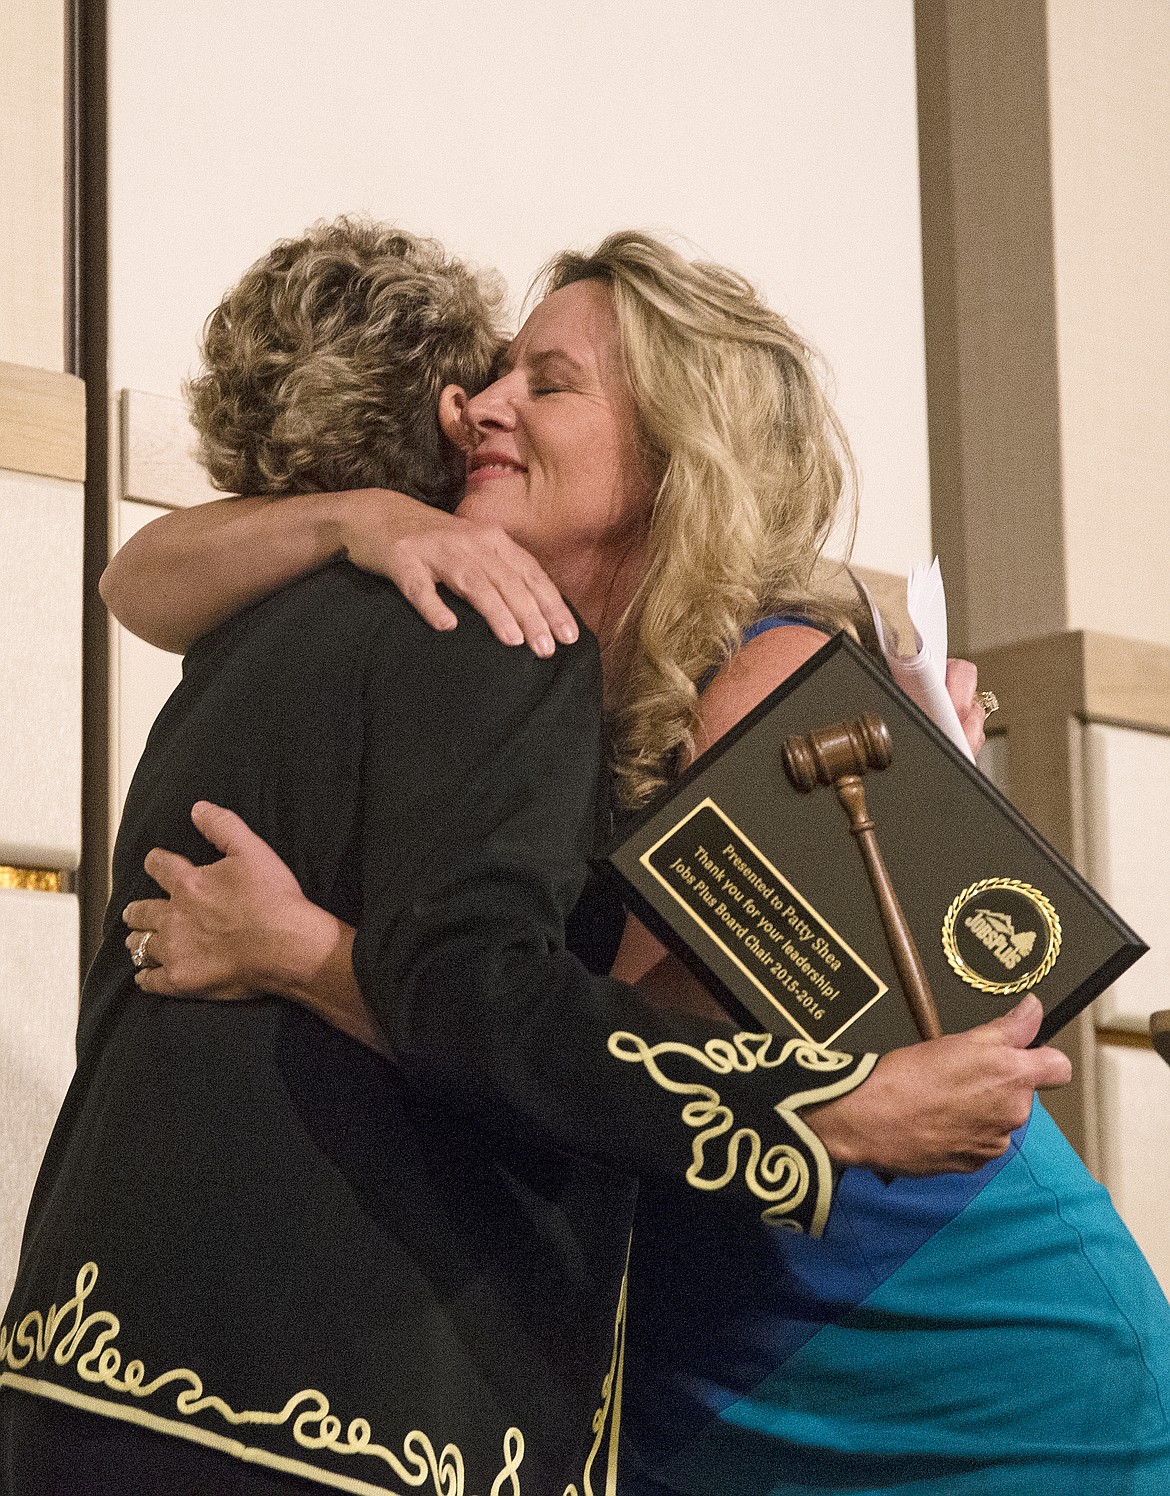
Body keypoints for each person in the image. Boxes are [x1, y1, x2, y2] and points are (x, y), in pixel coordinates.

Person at [83, 227, 1140, 1493]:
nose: (482, 405)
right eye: (495, 377)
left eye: (549, 381)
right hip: (702, 1372)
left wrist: (300, 951)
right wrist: (354, 517)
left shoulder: (777, 681)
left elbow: (593, 1052)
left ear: (673, 461)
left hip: (957, 1359)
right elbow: (140, 578)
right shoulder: (528, 671)